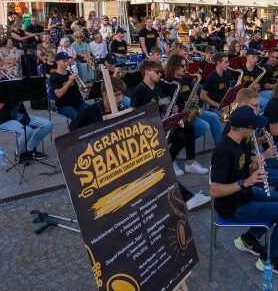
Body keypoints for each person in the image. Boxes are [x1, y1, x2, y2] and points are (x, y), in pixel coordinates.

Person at [70, 75, 210, 211]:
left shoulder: (121, 109)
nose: (121, 99)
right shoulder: (89, 112)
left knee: (157, 164)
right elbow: (71, 134)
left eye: (121, 95)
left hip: (123, 157)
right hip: (103, 164)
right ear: (104, 94)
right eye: (117, 95)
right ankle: (186, 197)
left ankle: (187, 198)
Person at [210, 106, 278, 275]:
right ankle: (268, 260)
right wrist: (247, 181)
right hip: (234, 207)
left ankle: (249, 238)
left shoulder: (240, 142)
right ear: (243, 128)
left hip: (245, 195)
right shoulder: (224, 151)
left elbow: (241, 171)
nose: (256, 130)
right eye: (254, 127)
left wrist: (253, 168)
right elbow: (214, 190)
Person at [131, 59, 209, 177]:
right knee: (181, 138)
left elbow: (163, 102)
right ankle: (170, 162)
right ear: (147, 72)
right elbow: (133, 113)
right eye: (157, 72)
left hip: (163, 122)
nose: (160, 74)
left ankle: (190, 163)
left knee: (189, 126)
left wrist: (171, 108)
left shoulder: (159, 86)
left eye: (160, 72)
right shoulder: (139, 90)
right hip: (150, 128)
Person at [0, 55, 52, 161]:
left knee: (48, 125)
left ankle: (30, 148)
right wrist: (10, 91)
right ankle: (19, 153)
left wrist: (20, 90)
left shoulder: (6, 80)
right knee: (27, 131)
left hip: (21, 115)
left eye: (1, 65)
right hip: (5, 118)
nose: (1, 68)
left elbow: (21, 97)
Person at [49, 52, 90, 121]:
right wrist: (69, 81)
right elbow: (58, 94)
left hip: (78, 102)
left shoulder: (70, 72)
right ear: (57, 62)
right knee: (78, 119)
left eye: (67, 61)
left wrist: (80, 85)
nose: (67, 63)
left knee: (93, 112)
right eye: (64, 61)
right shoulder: (53, 77)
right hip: (64, 105)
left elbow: (78, 89)